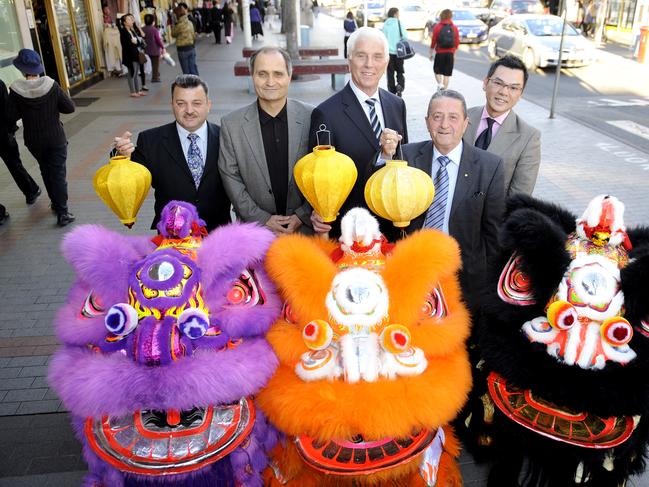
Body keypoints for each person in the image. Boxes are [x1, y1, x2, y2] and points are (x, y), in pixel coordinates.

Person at [379, 89, 504, 306]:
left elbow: (493, 234)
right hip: (412, 268)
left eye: (453, 117)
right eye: (437, 117)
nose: (444, 124)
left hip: (463, 275)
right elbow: (382, 204)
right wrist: (384, 156)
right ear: (427, 122)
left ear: (466, 123)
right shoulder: (405, 157)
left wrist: (492, 289)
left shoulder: (489, 167)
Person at [309, 26, 408, 237]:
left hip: (390, 231)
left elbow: (402, 167)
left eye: (377, 56)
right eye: (361, 56)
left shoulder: (396, 104)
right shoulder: (325, 113)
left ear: (387, 62)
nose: (369, 64)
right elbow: (319, 182)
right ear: (349, 59)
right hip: (348, 234)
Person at [112, 74, 231, 231]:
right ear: (172, 104)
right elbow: (130, 184)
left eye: (196, 103)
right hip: (170, 237)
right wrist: (121, 156)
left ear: (208, 105)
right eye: (181, 103)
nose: (189, 110)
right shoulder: (150, 140)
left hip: (219, 233)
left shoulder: (227, 138)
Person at [218, 47, 313, 235]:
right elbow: (231, 178)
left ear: (289, 75)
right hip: (254, 233)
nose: (270, 82)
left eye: (278, 74)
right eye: (262, 74)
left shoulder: (312, 116)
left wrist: (302, 215)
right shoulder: (231, 125)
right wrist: (262, 219)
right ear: (252, 76)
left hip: (304, 232)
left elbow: (323, 174)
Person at [8, 49, 76, 227]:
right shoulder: (51, 85)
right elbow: (70, 108)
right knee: (58, 174)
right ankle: (63, 213)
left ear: (22, 70)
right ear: (38, 67)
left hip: (33, 140)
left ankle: (55, 203)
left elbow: (10, 116)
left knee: (46, 170)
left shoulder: (16, 90)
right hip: (55, 138)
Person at [463, 55, 541, 196]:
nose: (504, 92)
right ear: (485, 83)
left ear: (520, 94)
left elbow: (519, 197)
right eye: (498, 83)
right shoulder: (462, 117)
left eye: (513, 88)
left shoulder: (529, 138)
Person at [0, 79, 41, 207]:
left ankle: (31, 190)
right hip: (3, 134)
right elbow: (7, 111)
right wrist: (11, 131)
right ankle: (31, 191)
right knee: (15, 165)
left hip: (3, 133)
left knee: (15, 165)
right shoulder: (0, 84)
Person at [429, 9, 459, 91]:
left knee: (437, 71)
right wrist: (454, 53)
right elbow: (456, 42)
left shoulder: (438, 27)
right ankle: (444, 90)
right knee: (447, 74)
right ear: (450, 16)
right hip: (450, 53)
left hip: (440, 53)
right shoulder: (454, 27)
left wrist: (431, 52)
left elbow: (434, 40)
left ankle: (440, 84)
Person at [119, 13, 146, 97]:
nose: (131, 21)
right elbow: (127, 44)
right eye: (129, 19)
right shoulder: (123, 32)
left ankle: (138, 90)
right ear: (124, 22)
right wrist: (135, 43)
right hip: (129, 56)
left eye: (131, 19)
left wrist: (135, 42)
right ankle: (132, 91)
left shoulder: (131, 30)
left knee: (136, 73)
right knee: (131, 73)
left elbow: (138, 41)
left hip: (135, 54)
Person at [382, 7, 407, 97]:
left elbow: (382, 38)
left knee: (390, 72)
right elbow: (405, 36)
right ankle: (400, 85)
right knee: (400, 71)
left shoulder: (385, 24)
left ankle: (391, 91)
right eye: (398, 13)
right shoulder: (399, 23)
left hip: (388, 53)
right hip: (399, 52)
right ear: (395, 14)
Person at [173, 3, 199, 75]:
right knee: (193, 68)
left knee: (186, 71)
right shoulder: (190, 22)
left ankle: (188, 85)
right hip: (191, 48)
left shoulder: (179, 25)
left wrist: (175, 23)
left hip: (182, 50)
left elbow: (173, 34)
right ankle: (196, 83)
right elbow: (193, 35)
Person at [142, 14, 165, 83]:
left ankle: (157, 74)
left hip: (146, 49)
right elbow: (158, 40)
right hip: (155, 49)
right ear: (153, 21)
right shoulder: (154, 29)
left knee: (151, 63)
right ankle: (155, 78)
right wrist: (162, 46)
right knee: (155, 64)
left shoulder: (143, 29)